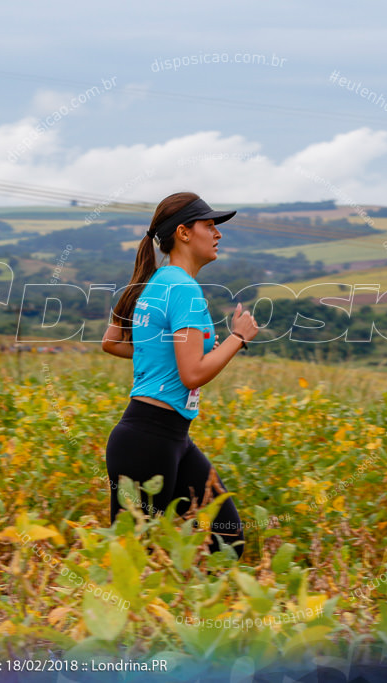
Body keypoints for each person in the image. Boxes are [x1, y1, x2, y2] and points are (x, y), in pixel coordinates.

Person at [101, 191, 258, 560]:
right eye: (209, 225)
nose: (217, 233)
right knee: (132, 564)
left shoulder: (153, 283)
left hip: (164, 437)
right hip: (149, 440)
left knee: (227, 539)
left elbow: (112, 342)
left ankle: (192, 610)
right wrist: (238, 338)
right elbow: (193, 375)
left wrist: (170, 353)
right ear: (184, 233)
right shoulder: (185, 290)